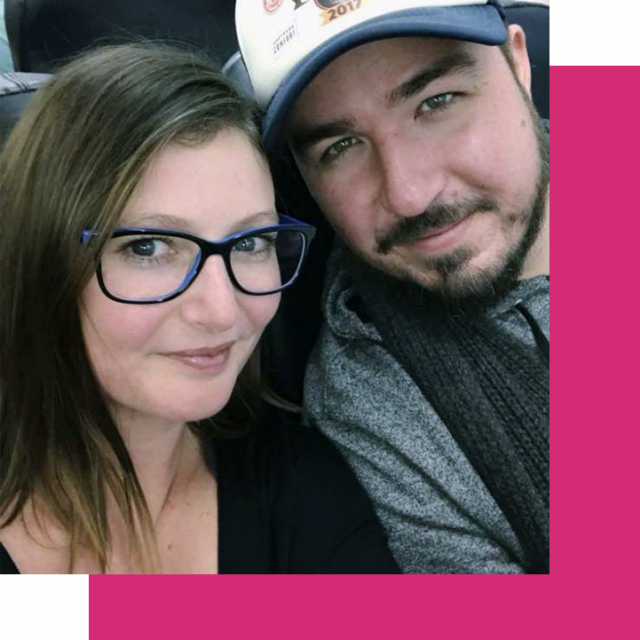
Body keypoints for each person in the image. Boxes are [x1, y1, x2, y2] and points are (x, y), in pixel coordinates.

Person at [0, 43, 399, 575]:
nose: (221, 312)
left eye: (251, 242)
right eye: (148, 247)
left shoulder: (303, 492)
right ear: (42, 260)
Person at [236, 0, 549, 573]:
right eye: (340, 147)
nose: (408, 195)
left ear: (518, 63)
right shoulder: (372, 409)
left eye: (437, 103)